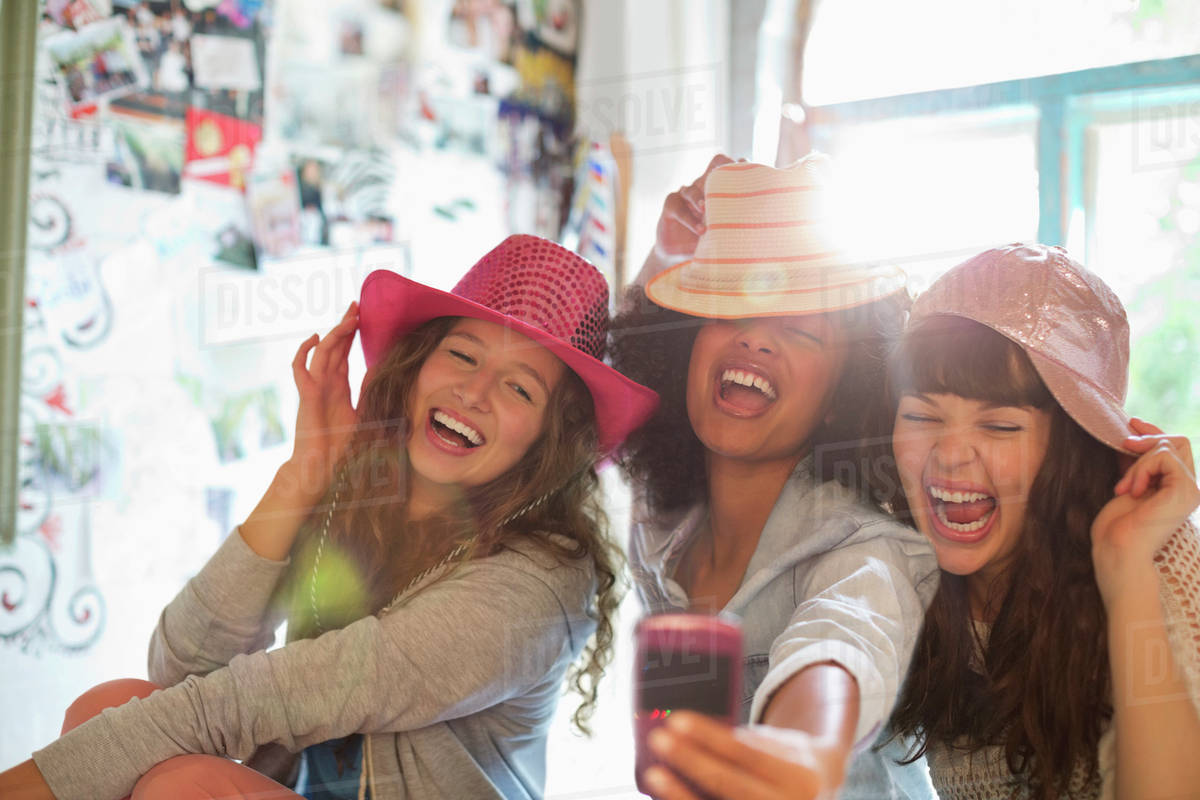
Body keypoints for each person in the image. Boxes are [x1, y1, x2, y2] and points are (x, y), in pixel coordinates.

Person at [0, 234, 658, 800]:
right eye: (463, 355)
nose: (474, 392)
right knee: (109, 703)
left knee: (181, 786)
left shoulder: (540, 585)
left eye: (520, 387)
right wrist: (303, 476)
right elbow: (184, 667)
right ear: (418, 362)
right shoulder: (365, 496)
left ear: (549, 439)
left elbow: (273, 697)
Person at [608, 154, 939, 799]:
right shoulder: (661, 516)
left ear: (841, 396)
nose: (756, 340)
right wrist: (665, 255)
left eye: (800, 332)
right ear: (685, 350)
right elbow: (611, 398)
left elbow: (845, 636)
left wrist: (802, 747)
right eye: (729, 313)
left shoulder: (862, 548)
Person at [883, 243, 1200, 799]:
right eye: (921, 415)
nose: (949, 456)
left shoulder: (1156, 555)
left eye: (1001, 427)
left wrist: (1124, 569)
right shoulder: (902, 571)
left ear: (1070, 450)